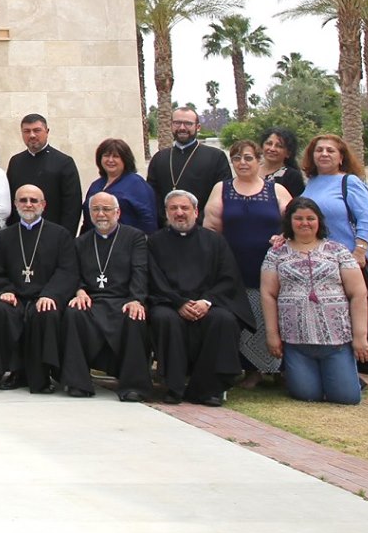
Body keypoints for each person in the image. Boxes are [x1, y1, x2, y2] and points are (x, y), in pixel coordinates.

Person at [145, 189, 253, 405]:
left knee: (223, 320)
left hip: (208, 303)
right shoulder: (155, 242)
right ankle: (173, 387)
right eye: (173, 208)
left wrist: (206, 301)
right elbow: (153, 280)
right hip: (170, 303)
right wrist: (179, 303)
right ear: (166, 212)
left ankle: (209, 390)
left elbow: (228, 277)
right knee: (164, 319)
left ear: (196, 211)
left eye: (184, 208)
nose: (179, 213)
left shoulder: (215, 241)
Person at [261, 197, 368, 405]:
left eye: (310, 218)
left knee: (345, 398)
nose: (305, 223)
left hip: (336, 341)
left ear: (319, 221)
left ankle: (346, 376)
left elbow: (358, 293)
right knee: (307, 395)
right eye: (299, 218)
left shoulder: (337, 251)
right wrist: (272, 334)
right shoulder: (276, 253)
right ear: (289, 222)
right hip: (296, 341)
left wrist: (360, 336)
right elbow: (268, 294)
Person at [204, 139, 293, 382]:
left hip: (270, 266)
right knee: (245, 315)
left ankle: (277, 370)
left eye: (248, 158)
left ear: (259, 160)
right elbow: (211, 228)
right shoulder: (221, 189)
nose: (242, 163)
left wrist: (284, 236)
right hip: (234, 265)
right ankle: (250, 370)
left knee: (270, 315)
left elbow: (296, 221)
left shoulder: (276, 190)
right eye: (236, 158)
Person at [300, 132, 368, 381]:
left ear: (341, 157)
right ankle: (339, 365)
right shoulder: (311, 183)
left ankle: (365, 371)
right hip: (319, 261)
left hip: (349, 260)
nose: (324, 154)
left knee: (357, 313)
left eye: (330, 150)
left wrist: (359, 250)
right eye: (319, 150)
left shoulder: (349, 182)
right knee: (334, 314)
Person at [61, 192, 152, 401]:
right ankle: (78, 383)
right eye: (95, 209)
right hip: (92, 300)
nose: (101, 214)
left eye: (106, 209)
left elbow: (140, 270)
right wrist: (79, 290)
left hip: (124, 299)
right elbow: (72, 272)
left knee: (135, 317)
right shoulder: (81, 242)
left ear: (118, 212)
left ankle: (133, 386)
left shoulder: (134, 237)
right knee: (74, 313)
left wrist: (136, 299)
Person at [0, 185, 76, 393]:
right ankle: (13, 372)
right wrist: (4, 290)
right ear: (15, 204)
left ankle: (42, 376)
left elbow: (67, 271)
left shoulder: (60, 235)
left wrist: (50, 295)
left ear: (43, 205)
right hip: (14, 296)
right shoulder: (5, 236)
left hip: (44, 296)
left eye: (34, 201)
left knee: (46, 313)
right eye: (23, 200)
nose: (28, 204)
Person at [145, 106, 232, 226]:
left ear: (198, 127)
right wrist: (167, 219)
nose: (182, 127)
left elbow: (223, 195)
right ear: (171, 125)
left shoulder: (216, 157)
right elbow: (152, 195)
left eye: (188, 123)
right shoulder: (159, 158)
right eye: (177, 123)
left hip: (203, 229)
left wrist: (195, 221)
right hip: (167, 229)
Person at [8, 113, 83, 237]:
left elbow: (72, 207)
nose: (32, 135)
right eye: (27, 131)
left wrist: (65, 238)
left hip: (54, 235)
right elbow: (11, 199)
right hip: (20, 235)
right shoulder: (15, 162)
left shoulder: (64, 162)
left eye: (37, 130)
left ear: (47, 131)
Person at [85, 138, 157, 234]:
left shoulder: (136, 183)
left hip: (128, 242)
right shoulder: (96, 185)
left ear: (125, 159)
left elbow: (148, 219)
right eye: (106, 156)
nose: (110, 160)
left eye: (116, 156)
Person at [261, 127, 306, 196]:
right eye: (269, 143)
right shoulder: (251, 169)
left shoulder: (292, 177)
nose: (272, 149)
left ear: (288, 153)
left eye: (279, 146)